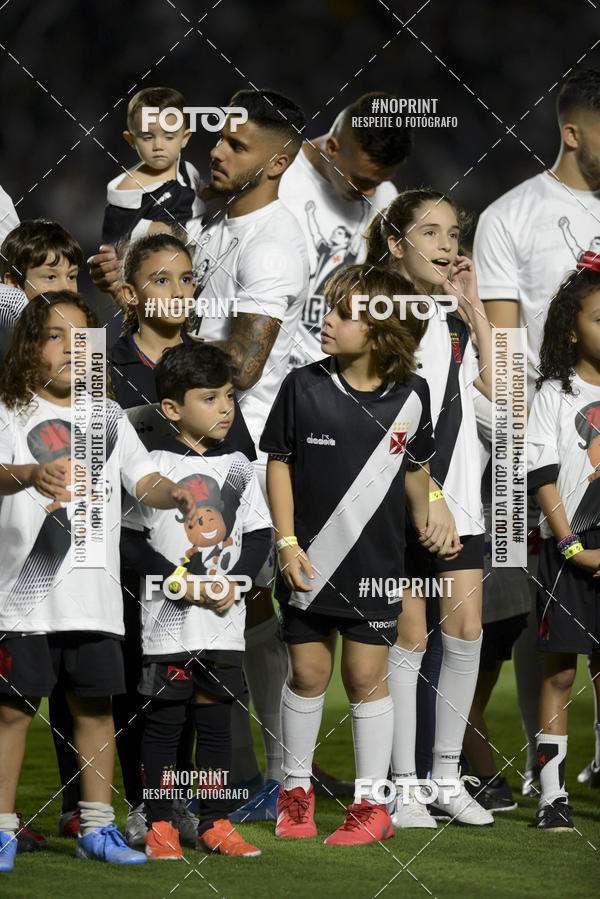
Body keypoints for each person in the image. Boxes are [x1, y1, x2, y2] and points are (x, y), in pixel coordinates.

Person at [0, 290, 196, 872]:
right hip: (22, 599)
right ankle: (3, 830)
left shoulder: (106, 417)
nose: (69, 349)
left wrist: (175, 493)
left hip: (95, 597)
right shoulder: (9, 409)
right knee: (12, 711)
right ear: (28, 346)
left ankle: (97, 827)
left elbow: (145, 482)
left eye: (80, 338)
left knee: (95, 710)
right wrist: (31, 472)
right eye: (54, 336)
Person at [260, 263, 450, 846]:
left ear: (382, 330)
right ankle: (295, 793)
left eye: (345, 313)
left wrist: (435, 506)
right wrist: (287, 543)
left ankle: (371, 807)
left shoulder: (412, 395)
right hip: (310, 562)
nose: (329, 321)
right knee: (308, 673)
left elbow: (414, 468)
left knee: (367, 677)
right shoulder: (303, 385)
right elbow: (279, 463)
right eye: (330, 308)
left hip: (377, 566)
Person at [185, 88, 312, 819]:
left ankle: (265, 777)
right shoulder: (214, 222)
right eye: (220, 138)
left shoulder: (273, 241)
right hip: (197, 441)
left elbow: (242, 362)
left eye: (235, 144)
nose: (217, 150)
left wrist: (155, 342)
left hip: (245, 453)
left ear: (277, 161)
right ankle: (262, 773)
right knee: (237, 611)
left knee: (239, 608)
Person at [473, 67, 600, 793]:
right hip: (543, 440)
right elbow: (502, 348)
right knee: (530, 605)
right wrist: (527, 448)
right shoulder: (510, 216)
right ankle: (533, 763)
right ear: (573, 132)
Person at [108, 232, 255, 848]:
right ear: (129, 292)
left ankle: (203, 816)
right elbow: (125, 520)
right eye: (158, 279)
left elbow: (253, 515)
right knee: (150, 707)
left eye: (186, 278)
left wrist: (234, 576)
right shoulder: (108, 371)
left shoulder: (217, 389)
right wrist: (175, 578)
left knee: (212, 709)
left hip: (219, 606)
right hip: (147, 591)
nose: (175, 292)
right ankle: (152, 814)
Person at [365, 189, 495, 827]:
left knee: (466, 632)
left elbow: (501, 402)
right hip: (407, 496)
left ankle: (447, 776)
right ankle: (405, 783)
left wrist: (476, 314)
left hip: (463, 495)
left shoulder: (454, 316)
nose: (448, 245)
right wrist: (429, 494)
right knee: (411, 637)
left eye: (454, 234)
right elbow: (390, 419)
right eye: (431, 233)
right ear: (395, 244)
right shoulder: (385, 314)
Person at [122, 341, 271, 858]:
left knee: (215, 724)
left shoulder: (239, 466)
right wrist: (176, 582)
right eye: (209, 398)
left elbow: (258, 536)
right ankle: (160, 824)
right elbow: (128, 541)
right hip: (167, 625)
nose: (225, 408)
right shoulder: (151, 467)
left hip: (224, 622)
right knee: (163, 724)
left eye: (229, 396)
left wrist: (237, 583)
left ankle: (215, 821)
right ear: (172, 409)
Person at [0, 220, 85, 848]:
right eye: (46, 277)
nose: (59, 287)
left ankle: (79, 808)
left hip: (52, 544)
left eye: (69, 276)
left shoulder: (79, 352)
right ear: (11, 285)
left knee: (65, 679)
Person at [527, 259, 600, 831]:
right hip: (566, 551)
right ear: (573, 329)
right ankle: (552, 796)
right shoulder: (555, 391)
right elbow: (542, 473)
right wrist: (573, 546)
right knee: (558, 674)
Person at [278, 91, 411, 371]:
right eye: (362, 180)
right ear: (332, 148)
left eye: (382, 179)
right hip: (264, 383)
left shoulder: (386, 198)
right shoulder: (277, 177)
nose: (371, 192)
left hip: (335, 383)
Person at [461, 390, 531, 814]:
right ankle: (469, 772)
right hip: (504, 575)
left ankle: (487, 780)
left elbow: (515, 432)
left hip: (489, 571)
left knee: (448, 688)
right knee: (464, 696)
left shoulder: (465, 395)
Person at [101, 86, 203, 247]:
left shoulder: (189, 172)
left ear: (185, 138)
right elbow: (114, 238)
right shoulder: (128, 189)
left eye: (169, 137)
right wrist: (148, 229)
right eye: (148, 137)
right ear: (131, 140)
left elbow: (203, 200)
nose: (158, 146)